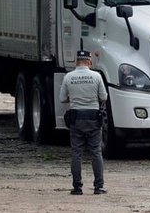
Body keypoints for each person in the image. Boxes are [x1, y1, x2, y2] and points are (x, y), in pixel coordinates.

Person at [59, 49, 108, 195]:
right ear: (90, 61)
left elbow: (62, 98)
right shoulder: (96, 76)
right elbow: (103, 97)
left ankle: (77, 187)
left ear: (76, 62)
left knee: (76, 153)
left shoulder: (69, 77)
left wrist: (73, 98)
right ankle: (98, 187)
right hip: (93, 118)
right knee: (96, 152)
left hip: (76, 118)